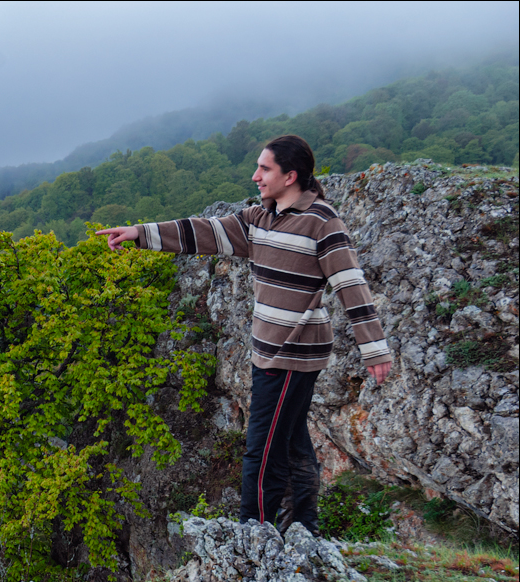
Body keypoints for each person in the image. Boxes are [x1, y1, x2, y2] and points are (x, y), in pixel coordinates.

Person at [96, 135, 392, 536]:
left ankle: (254, 537)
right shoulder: (258, 219)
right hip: (267, 349)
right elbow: (203, 231)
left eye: (264, 169)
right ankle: (304, 526)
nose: (255, 176)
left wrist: (374, 350)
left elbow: (350, 284)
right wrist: (139, 233)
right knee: (290, 439)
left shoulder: (323, 223)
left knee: (263, 449)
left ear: (291, 176)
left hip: (292, 352)